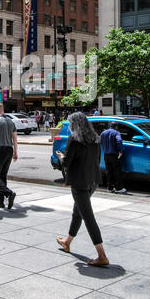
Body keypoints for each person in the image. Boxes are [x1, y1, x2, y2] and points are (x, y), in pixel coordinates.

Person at [56, 112, 109, 267]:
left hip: (79, 182)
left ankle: (102, 255)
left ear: (74, 124)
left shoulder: (74, 139)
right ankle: (67, 241)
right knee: (77, 212)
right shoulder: (95, 138)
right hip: (93, 180)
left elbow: (67, 162)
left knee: (88, 217)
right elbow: (98, 160)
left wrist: (61, 158)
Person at [0, 102, 18, 210]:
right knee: (3, 175)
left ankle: (9, 193)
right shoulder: (11, 122)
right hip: (9, 150)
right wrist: (15, 152)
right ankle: (0, 202)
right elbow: (15, 139)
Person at [100, 122, 126, 194]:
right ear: (116, 127)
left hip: (106, 155)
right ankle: (119, 188)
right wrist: (120, 150)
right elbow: (119, 140)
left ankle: (110, 187)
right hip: (114, 155)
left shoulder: (103, 132)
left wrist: (104, 147)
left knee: (109, 172)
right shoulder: (116, 133)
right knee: (117, 171)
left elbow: (99, 140)